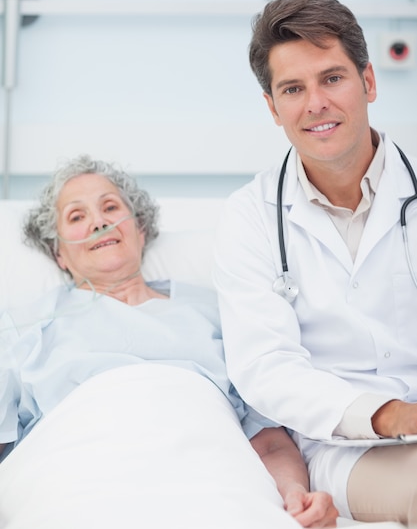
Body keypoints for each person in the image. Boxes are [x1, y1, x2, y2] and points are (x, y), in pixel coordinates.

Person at [0, 154, 337, 529]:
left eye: (110, 207)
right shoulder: (23, 327)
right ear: (58, 253)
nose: (99, 221)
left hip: (209, 471)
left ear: (140, 229)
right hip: (74, 470)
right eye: (77, 216)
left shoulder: (223, 311)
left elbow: (270, 440)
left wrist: (294, 494)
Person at [213, 0, 417, 525]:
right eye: (293, 89)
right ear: (272, 106)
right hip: (344, 448)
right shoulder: (250, 217)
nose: (315, 104)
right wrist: (390, 415)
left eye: (332, 78)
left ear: (368, 82)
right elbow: (267, 368)